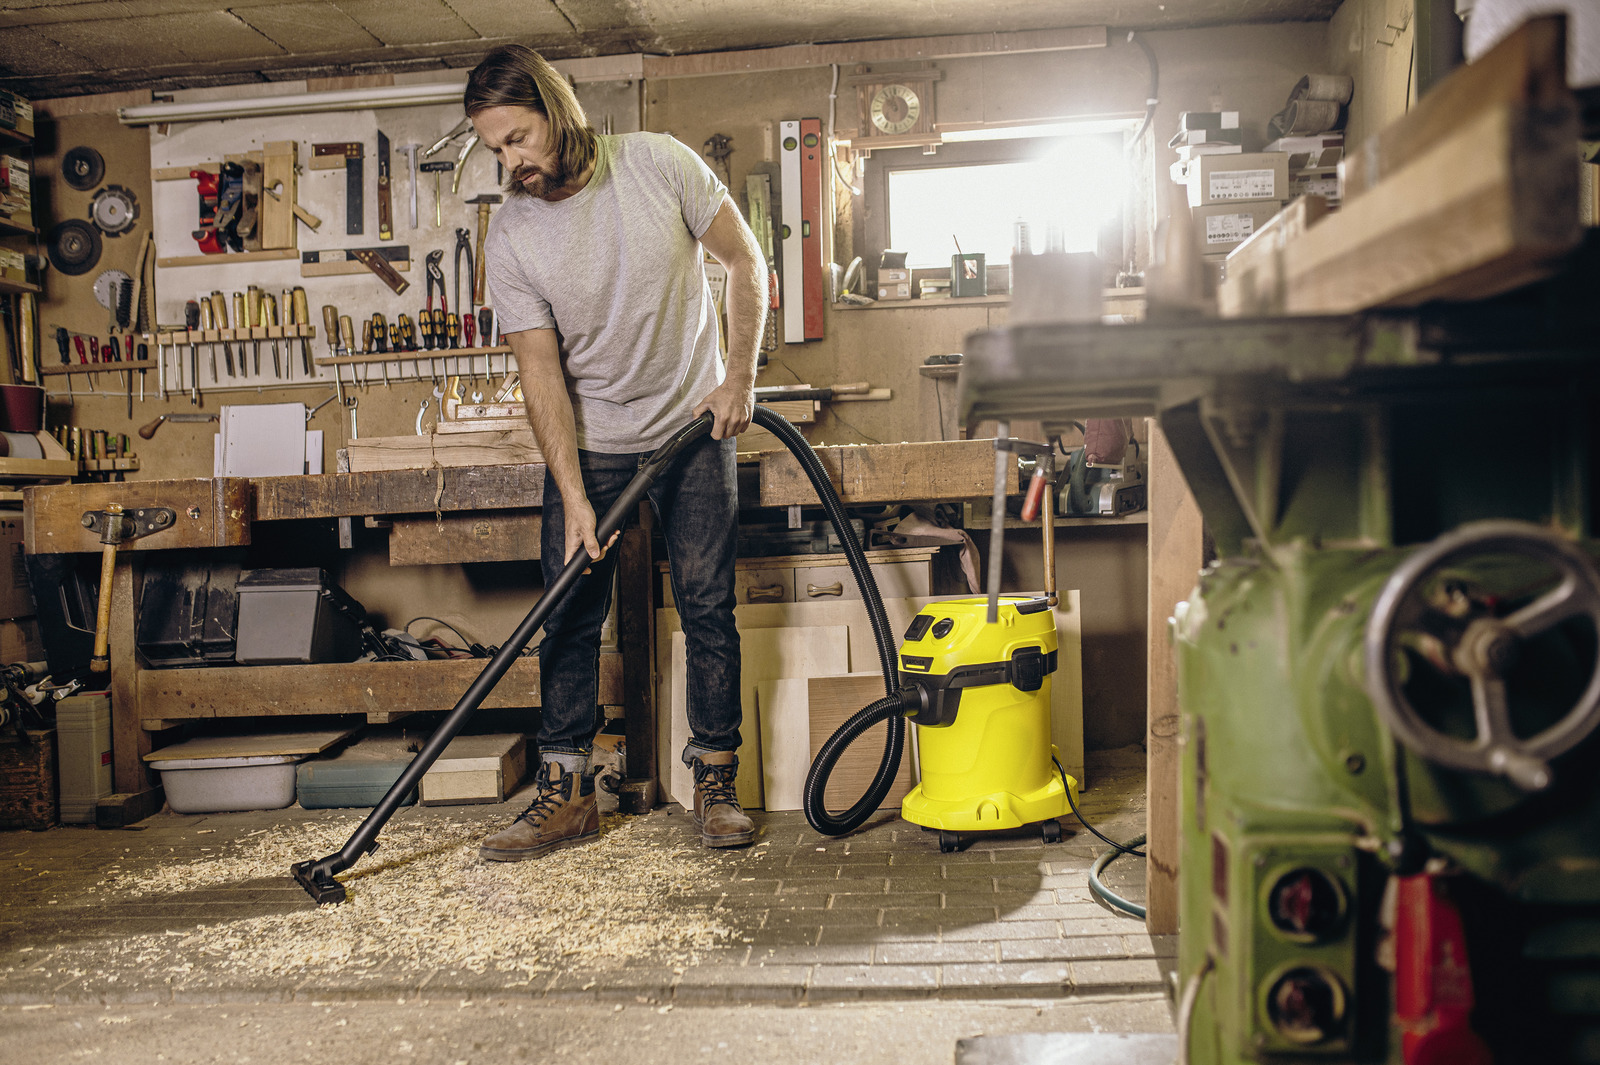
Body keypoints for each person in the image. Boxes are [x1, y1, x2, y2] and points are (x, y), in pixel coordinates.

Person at [465, 45, 768, 859]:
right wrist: (571, 494)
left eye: (519, 138)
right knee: (567, 611)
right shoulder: (515, 235)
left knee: (706, 604)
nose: (511, 162)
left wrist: (737, 379)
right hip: (593, 442)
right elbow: (540, 374)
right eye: (495, 148)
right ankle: (565, 792)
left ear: (557, 109)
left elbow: (746, 261)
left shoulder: (658, 165)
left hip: (691, 427)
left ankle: (713, 779)